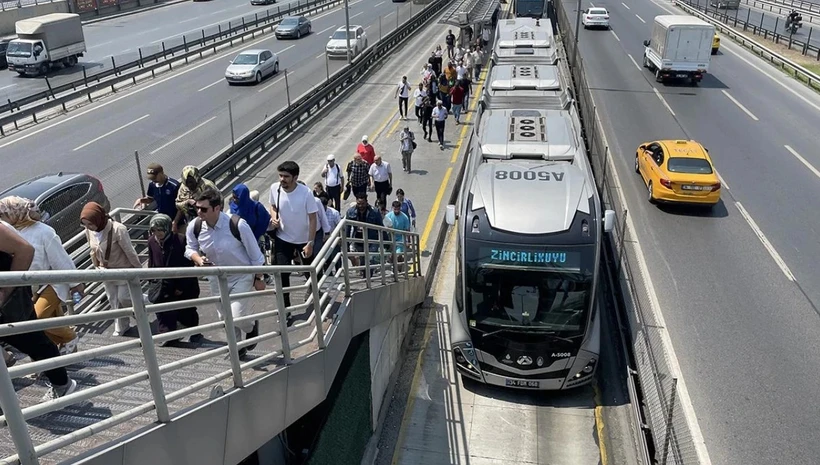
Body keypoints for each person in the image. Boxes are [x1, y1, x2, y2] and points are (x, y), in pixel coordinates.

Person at [0, 221, 78, 400]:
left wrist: (5, 290)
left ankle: (62, 383)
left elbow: (25, 250)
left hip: (11, 301)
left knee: (34, 341)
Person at [185, 188, 264, 358]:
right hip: (216, 277)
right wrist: (198, 259)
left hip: (241, 275)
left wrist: (258, 277)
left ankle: (251, 327)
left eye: (203, 209)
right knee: (224, 317)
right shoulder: (195, 226)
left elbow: (255, 254)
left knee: (237, 316)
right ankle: (237, 347)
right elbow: (189, 248)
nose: (199, 212)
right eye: (197, 208)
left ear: (216, 208)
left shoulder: (237, 225)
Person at [0, 197, 81, 355]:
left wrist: (75, 283)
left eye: (3, 215)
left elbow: (60, 258)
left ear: (14, 213)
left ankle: (70, 338)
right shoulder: (11, 233)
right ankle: (51, 359)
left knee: (39, 318)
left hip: (50, 283)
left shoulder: (44, 231)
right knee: (41, 322)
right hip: (30, 286)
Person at [81, 201, 143, 337]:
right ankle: (121, 326)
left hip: (123, 271)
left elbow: (130, 252)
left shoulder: (117, 229)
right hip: (105, 272)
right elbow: (93, 249)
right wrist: (97, 265)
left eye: (90, 223)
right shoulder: (89, 231)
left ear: (99, 218)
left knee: (124, 298)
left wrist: (139, 271)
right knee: (113, 300)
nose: (88, 227)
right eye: (85, 224)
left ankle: (146, 306)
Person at [268, 161, 319, 325]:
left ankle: (315, 292)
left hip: (303, 240)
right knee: (282, 274)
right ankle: (285, 310)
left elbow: (313, 218)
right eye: (280, 176)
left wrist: (310, 242)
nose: (282, 179)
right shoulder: (274, 188)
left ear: (295, 177)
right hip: (283, 239)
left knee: (310, 271)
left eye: (286, 177)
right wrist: (274, 216)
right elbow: (273, 205)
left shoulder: (306, 193)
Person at [147, 214, 202, 345]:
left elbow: (188, 264)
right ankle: (167, 335)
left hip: (183, 282)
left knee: (187, 310)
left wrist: (181, 287)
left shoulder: (181, 240)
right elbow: (151, 262)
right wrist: (151, 280)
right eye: (154, 230)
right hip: (162, 283)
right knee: (162, 309)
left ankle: (194, 332)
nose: (157, 233)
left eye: (160, 230)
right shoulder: (151, 241)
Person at [344, 193, 385, 277]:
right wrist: (346, 244)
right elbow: (347, 229)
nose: (361, 206)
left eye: (363, 203)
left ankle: (368, 277)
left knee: (370, 259)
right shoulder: (351, 211)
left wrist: (387, 243)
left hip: (372, 239)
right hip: (359, 240)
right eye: (359, 203)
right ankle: (365, 276)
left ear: (366, 202)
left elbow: (381, 227)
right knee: (362, 261)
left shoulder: (375, 212)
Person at [133, 163, 181, 228]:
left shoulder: (174, 186)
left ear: (161, 173)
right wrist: (141, 200)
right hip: (162, 220)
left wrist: (175, 222)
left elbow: (181, 207)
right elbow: (151, 199)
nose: (153, 180)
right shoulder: (152, 185)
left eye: (155, 177)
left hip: (177, 221)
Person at [174, 166, 217, 233]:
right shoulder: (183, 188)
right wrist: (188, 202)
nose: (189, 185)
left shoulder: (207, 186)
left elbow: (218, 203)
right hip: (191, 218)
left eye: (191, 181)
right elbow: (178, 205)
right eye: (186, 182)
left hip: (209, 218)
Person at [384, 200, 412, 270]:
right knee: (391, 256)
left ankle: (398, 270)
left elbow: (407, 230)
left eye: (398, 209)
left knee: (398, 255)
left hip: (400, 239)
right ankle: (393, 263)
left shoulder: (405, 217)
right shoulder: (388, 216)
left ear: (400, 208)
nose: (396, 211)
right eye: (395, 209)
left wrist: (408, 241)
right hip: (390, 238)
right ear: (392, 208)